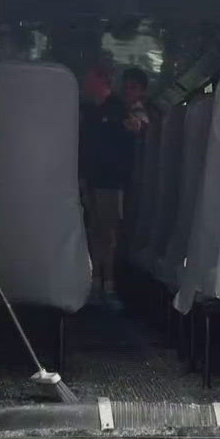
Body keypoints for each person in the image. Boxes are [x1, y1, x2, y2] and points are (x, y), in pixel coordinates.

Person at [78, 67, 150, 309]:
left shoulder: (119, 110)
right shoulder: (90, 112)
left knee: (107, 235)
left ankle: (104, 284)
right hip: (91, 181)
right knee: (93, 232)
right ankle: (94, 282)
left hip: (111, 183)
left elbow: (139, 124)